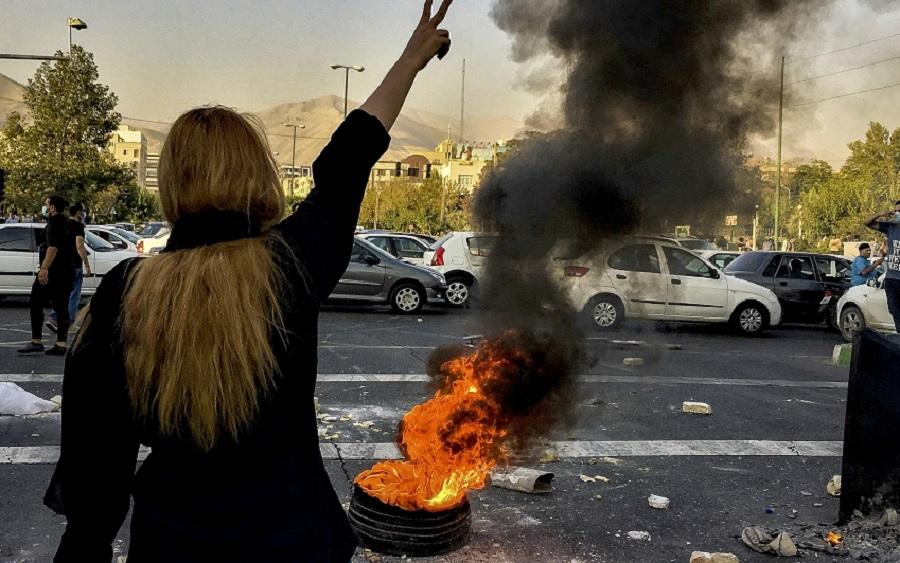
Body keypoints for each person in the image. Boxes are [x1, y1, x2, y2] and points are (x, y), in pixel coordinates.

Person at [45, 2, 453, 561]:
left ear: (171, 182)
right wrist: (408, 62)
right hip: (297, 544)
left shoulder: (124, 292)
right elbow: (348, 160)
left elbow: (95, 483)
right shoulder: (290, 264)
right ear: (257, 172)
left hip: (174, 548)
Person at [18, 196, 77, 356]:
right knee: (61, 306)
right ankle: (61, 344)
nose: (45, 207)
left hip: (54, 272)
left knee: (35, 300)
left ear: (52, 207)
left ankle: (36, 341)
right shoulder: (67, 222)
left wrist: (44, 269)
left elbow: (53, 248)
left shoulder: (54, 223)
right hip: (66, 271)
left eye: (46, 204)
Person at [47, 203, 92, 333]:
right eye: (82, 211)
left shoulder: (64, 224)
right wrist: (87, 265)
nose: (84, 214)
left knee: (63, 293)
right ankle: (68, 322)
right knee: (74, 295)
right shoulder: (78, 226)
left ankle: (54, 317)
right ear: (78, 212)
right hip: (74, 265)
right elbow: (79, 245)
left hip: (63, 263)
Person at [866, 201, 900, 331]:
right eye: (896, 211)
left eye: (899, 211)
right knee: (894, 309)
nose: (897, 214)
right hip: (891, 278)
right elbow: (868, 223)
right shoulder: (891, 227)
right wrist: (880, 214)